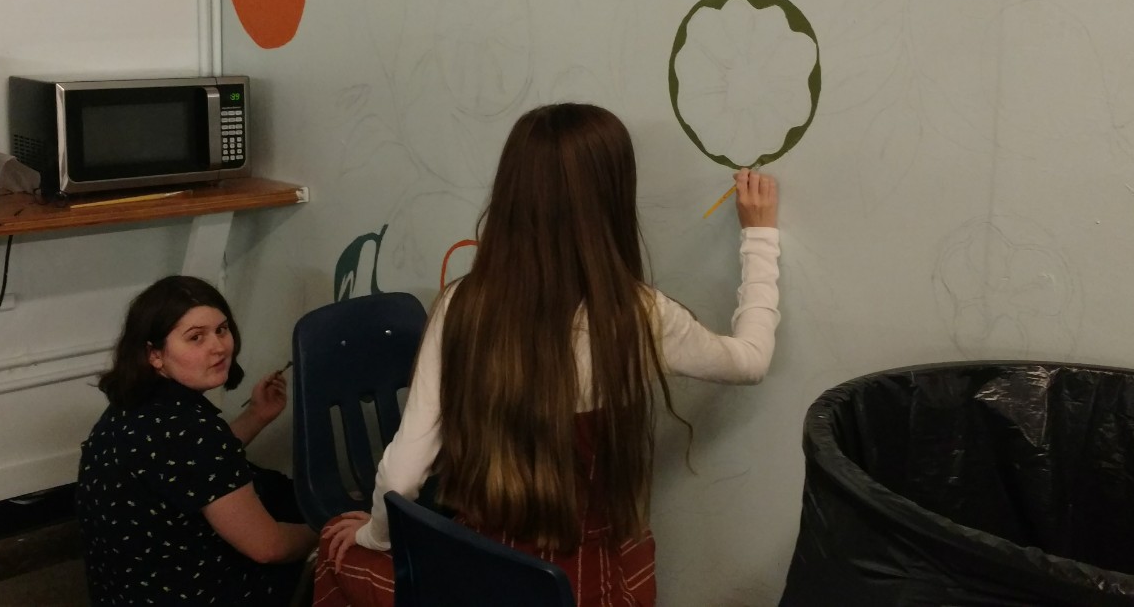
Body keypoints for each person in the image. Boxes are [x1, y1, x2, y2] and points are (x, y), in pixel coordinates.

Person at [313, 103, 782, 607]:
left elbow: (402, 476)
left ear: (511, 192)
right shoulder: (639, 314)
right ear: (613, 197)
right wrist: (759, 235)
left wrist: (373, 536)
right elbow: (750, 360)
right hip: (593, 586)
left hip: (479, 575)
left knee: (332, 552)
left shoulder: (460, 306)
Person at [78, 275, 317, 605]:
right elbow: (268, 547)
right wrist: (326, 530)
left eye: (221, 330)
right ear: (154, 354)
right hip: (190, 591)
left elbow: (193, 469)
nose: (218, 347)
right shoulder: (190, 431)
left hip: (125, 591)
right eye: (196, 337)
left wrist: (256, 416)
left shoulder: (132, 405)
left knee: (276, 491)